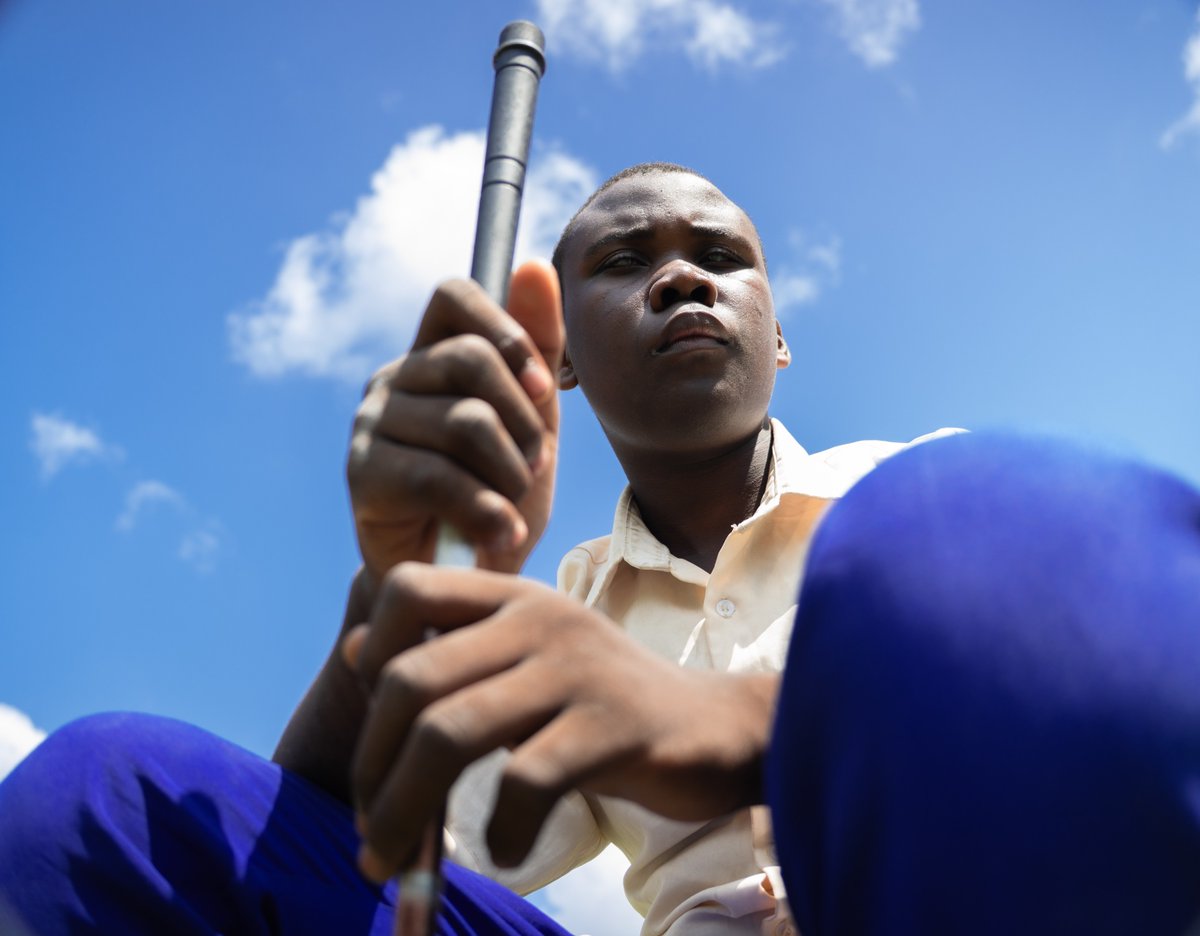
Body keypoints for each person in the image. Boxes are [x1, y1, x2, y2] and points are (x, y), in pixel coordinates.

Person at [1, 164, 1198, 936]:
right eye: (625, 263)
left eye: (721, 259)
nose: (681, 273)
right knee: (113, 794)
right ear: (559, 355)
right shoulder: (556, 613)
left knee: (970, 515)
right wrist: (396, 592)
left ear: (781, 338)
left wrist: (729, 730)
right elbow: (342, 859)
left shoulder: (921, 502)